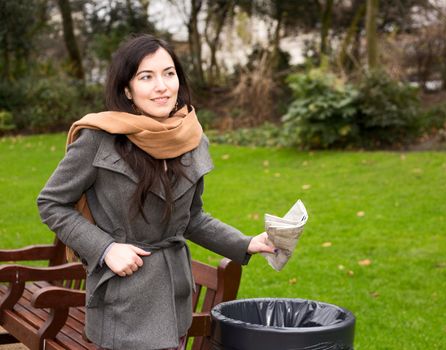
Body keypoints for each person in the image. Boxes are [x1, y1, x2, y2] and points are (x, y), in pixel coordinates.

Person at [37, 33, 275, 350]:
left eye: (168, 73)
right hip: (123, 295)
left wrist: (246, 243)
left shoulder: (190, 137)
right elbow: (52, 203)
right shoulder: (99, 139)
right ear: (127, 89)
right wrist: (106, 249)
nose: (162, 86)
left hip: (173, 295)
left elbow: (191, 218)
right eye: (146, 77)